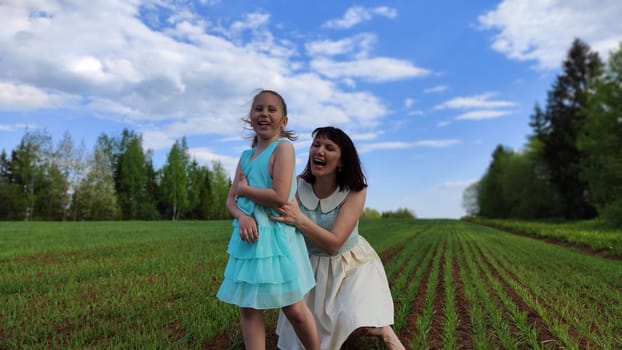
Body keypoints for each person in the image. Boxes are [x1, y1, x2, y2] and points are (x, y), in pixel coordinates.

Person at [271, 126, 405, 350]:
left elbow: (334, 244)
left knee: (355, 317)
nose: (319, 151)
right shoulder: (295, 186)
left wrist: (299, 219)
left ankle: (384, 331)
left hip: (350, 264)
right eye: (316, 145)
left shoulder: (355, 191)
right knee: (308, 339)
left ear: (342, 161)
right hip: (310, 267)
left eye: (329, 148)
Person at [216, 90, 319, 350]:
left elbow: (279, 195)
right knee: (249, 308)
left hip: (277, 239)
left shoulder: (283, 148)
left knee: (293, 307)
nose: (264, 114)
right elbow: (230, 201)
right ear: (250, 117)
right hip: (249, 240)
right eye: (258, 109)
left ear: (283, 121)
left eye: (272, 110)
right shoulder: (244, 156)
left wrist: (245, 190)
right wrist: (242, 217)